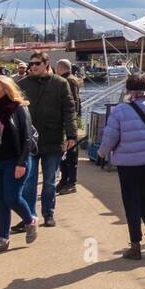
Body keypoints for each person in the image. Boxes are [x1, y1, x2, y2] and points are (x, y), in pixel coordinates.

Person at [98, 73, 145, 260]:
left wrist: (102, 152)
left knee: (131, 201)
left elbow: (110, 136)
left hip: (127, 163)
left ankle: (136, 244)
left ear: (128, 90)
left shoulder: (120, 111)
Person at [15, 52, 78, 229]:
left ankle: (48, 214)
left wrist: (71, 134)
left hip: (53, 138)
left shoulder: (60, 83)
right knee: (29, 181)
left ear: (46, 64)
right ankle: (29, 217)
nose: (33, 67)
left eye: (36, 63)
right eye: (31, 64)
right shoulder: (22, 84)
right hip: (29, 141)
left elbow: (69, 109)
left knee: (50, 181)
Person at [0, 76, 38, 254]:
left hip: (15, 160)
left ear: (6, 89)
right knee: (1, 201)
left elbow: (27, 138)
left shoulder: (19, 108)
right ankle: (3, 238)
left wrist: (21, 162)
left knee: (11, 198)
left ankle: (30, 220)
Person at [55, 58, 83, 195]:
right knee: (65, 154)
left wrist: (72, 121)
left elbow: (72, 103)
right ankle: (65, 180)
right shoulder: (71, 80)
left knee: (69, 153)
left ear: (60, 68)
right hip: (68, 121)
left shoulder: (68, 81)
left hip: (68, 123)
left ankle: (70, 182)